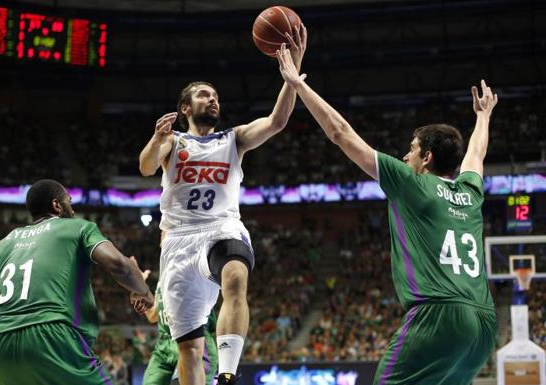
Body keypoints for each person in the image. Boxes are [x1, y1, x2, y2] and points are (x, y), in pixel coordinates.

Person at [276, 47, 498, 385]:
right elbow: (476, 155)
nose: (405, 154)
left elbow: (341, 133)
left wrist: (297, 84)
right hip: (484, 325)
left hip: (438, 315)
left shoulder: (412, 182)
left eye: (411, 148)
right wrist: (483, 117)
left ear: (426, 157)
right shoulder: (469, 192)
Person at [138, 26, 307, 385]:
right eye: (203, 95)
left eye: (215, 95)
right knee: (190, 350)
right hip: (178, 241)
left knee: (234, 274)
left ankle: (228, 372)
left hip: (221, 227)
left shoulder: (234, 139)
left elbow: (277, 122)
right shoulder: (174, 141)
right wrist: (156, 138)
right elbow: (146, 166)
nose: (213, 99)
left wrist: (291, 74)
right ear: (185, 107)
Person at [0, 179, 154, 385]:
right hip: (53, 336)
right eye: (69, 201)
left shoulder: (3, 245)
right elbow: (118, 264)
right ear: (57, 205)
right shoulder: (78, 227)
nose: (73, 208)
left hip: (0, 345)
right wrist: (142, 289)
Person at [143, 281, 218, 385]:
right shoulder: (162, 279)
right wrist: (139, 288)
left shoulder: (193, 270)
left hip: (193, 338)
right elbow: (153, 315)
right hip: (165, 344)